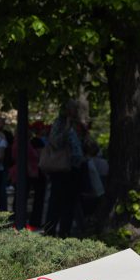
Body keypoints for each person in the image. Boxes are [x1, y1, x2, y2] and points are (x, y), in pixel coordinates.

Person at [47, 100, 85, 237]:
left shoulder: (76, 125)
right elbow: (55, 142)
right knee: (56, 201)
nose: (76, 111)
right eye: (74, 108)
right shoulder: (60, 123)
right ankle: (50, 231)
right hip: (61, 168)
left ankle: (65, 232)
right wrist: (67, 128)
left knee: (70, 203)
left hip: (75, 168)